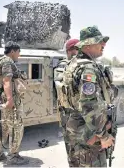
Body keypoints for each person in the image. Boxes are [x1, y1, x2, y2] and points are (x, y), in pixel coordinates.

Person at [59, 26, 115, 167]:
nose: (104, 45)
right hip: (87, 135)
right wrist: (104, 135)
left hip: (74, 131)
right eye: (100, 42)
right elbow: (89, 105)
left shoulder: (72, 64)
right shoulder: (87, 69)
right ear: (88, 45)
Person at [0, 41, 29, 165]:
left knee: (3, 126)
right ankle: (13, 156)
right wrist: (10, 100)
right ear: (12, 51)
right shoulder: (7, 61)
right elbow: (7, 81)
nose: (19, 54)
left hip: (0, 97)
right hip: (9, 100)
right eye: (18, 52)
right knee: (17, 126)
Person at [53, 38, 79, 166]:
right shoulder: (64, 66)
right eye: (76, 49)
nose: (78, 52)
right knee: (72, 147)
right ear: (70, 51)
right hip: (69, 112)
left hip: (72, 112)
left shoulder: (78, 64)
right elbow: (60, 88)